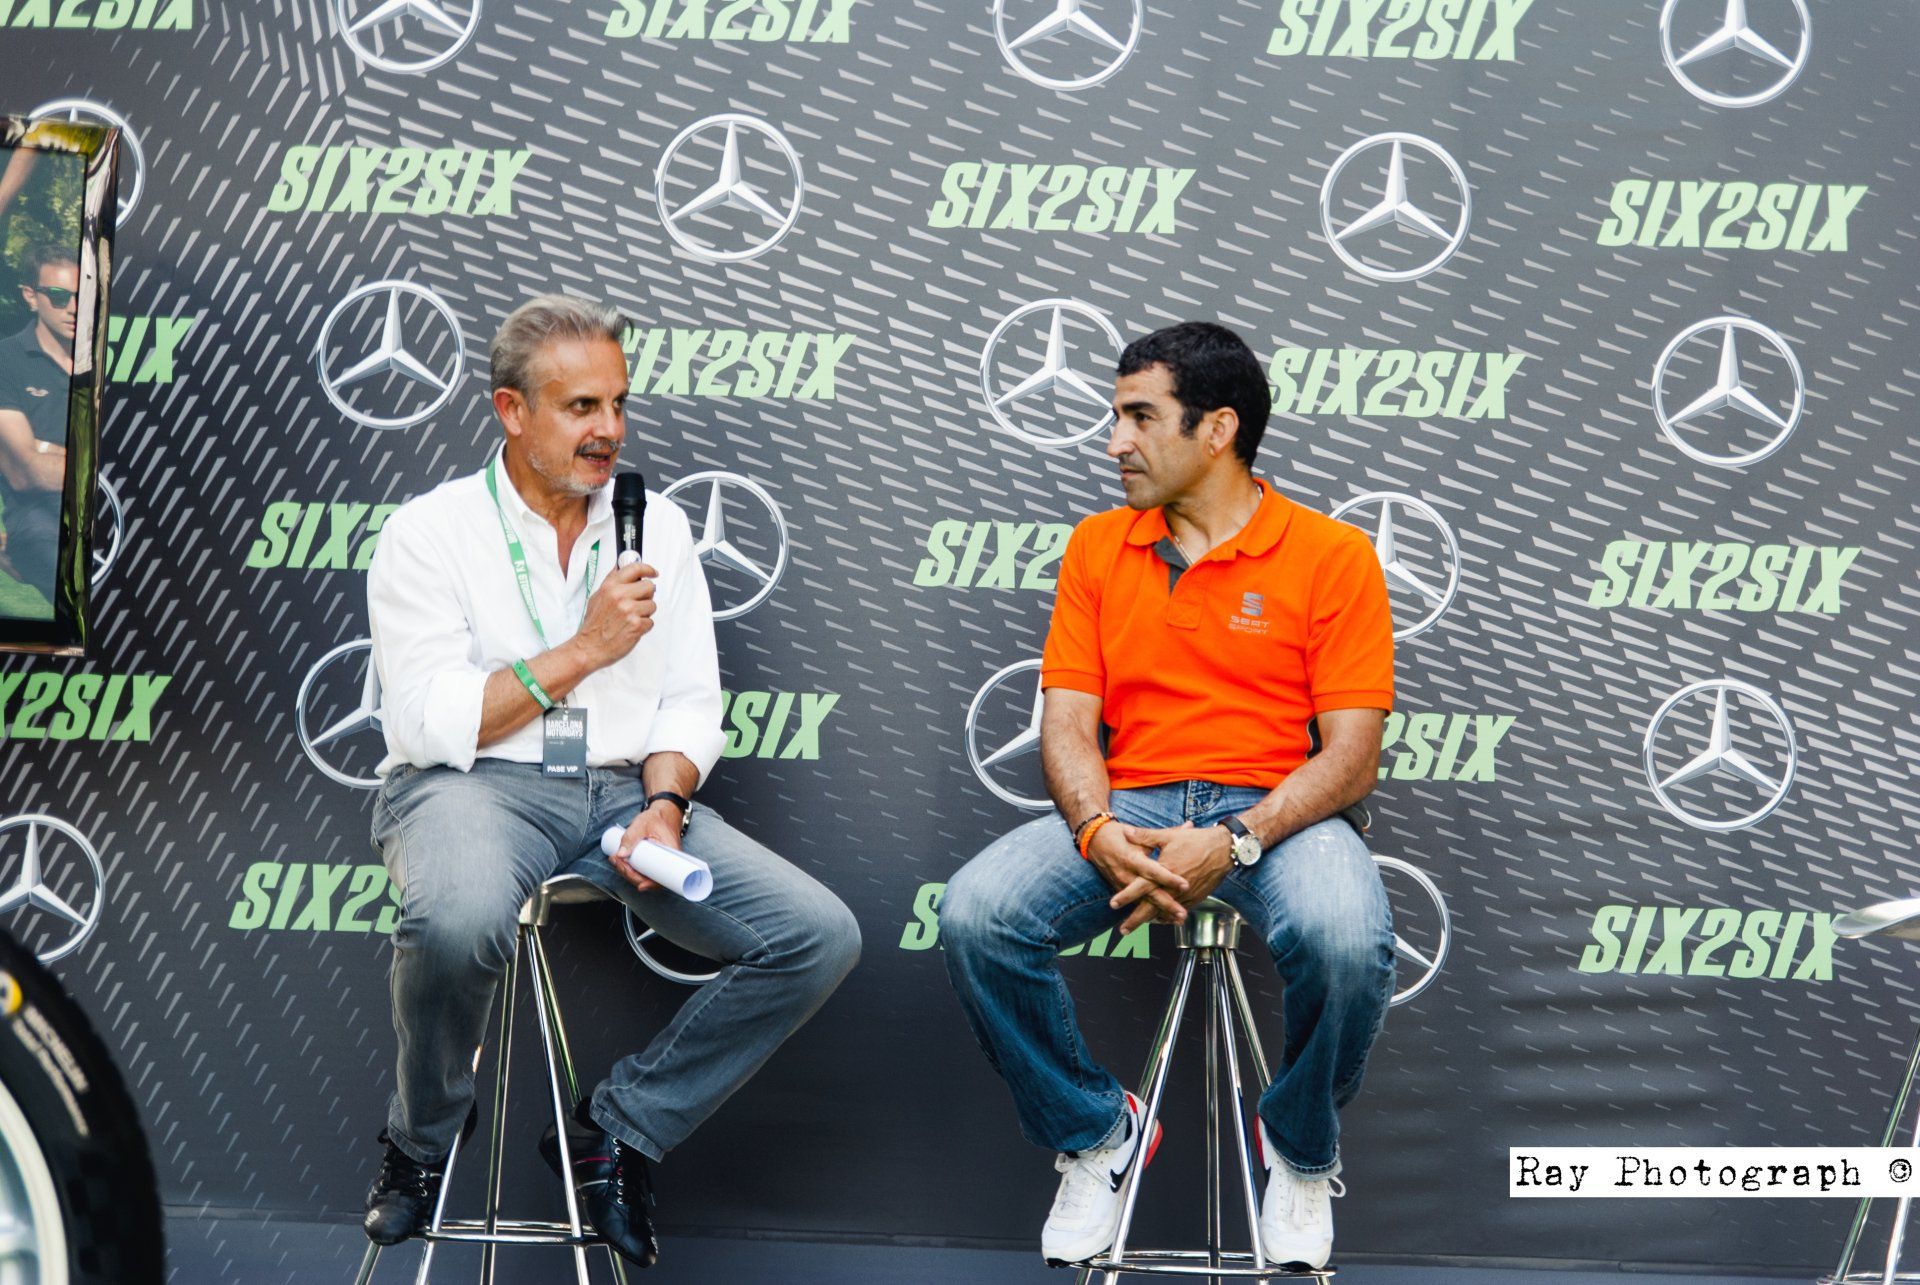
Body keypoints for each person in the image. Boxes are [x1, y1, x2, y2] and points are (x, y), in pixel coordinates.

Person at [362, 294, 861, 1267]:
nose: (609, 430)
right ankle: (421, 1141)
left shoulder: (656, 526)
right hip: (474, 787)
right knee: (456, 919)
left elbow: (690, 700)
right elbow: (427, 719)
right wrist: (585, 648)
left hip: (627, 794)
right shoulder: (430, 531)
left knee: (815, 936)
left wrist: (666, 808)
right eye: (581, 406)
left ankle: (618, 1127)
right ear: (512, 411)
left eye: (618, 404)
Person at [940, 322, 1396, 1271]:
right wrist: (1096, 827)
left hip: (1280, 813)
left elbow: (1352, 760)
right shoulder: (1098, 546)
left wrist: (1233, 840)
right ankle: (1098, 1130)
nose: (1115, 441)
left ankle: (1299, 1148)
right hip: (1136, 803)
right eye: (1118, 417)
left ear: (1218, 429)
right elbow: (1069, 725)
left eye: (1140, 417)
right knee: (979, 911)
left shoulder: (1333, 553)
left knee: (1347, 938)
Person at [0, 241, 76, 603]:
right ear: (31, 296)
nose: (74, 308)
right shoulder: (6, 360)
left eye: (83, 297)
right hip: (39, 521)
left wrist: (46, 449)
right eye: (59, 297)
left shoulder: (105, 359)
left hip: (102, 512)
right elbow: (25, 471)